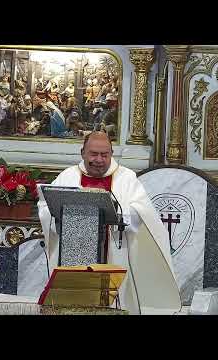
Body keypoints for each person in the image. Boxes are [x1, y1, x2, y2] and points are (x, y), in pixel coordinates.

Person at [37, 131, 181, 314]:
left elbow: (143, 210)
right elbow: (45, 206)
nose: (99, 160)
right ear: (83, 153)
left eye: (104, 155)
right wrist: (55, 216)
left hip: (113, 251)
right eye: (93, 154)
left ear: (111, 154)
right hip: (72, 252)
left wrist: (119, 214)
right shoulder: (68, 176)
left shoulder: (126, 178)